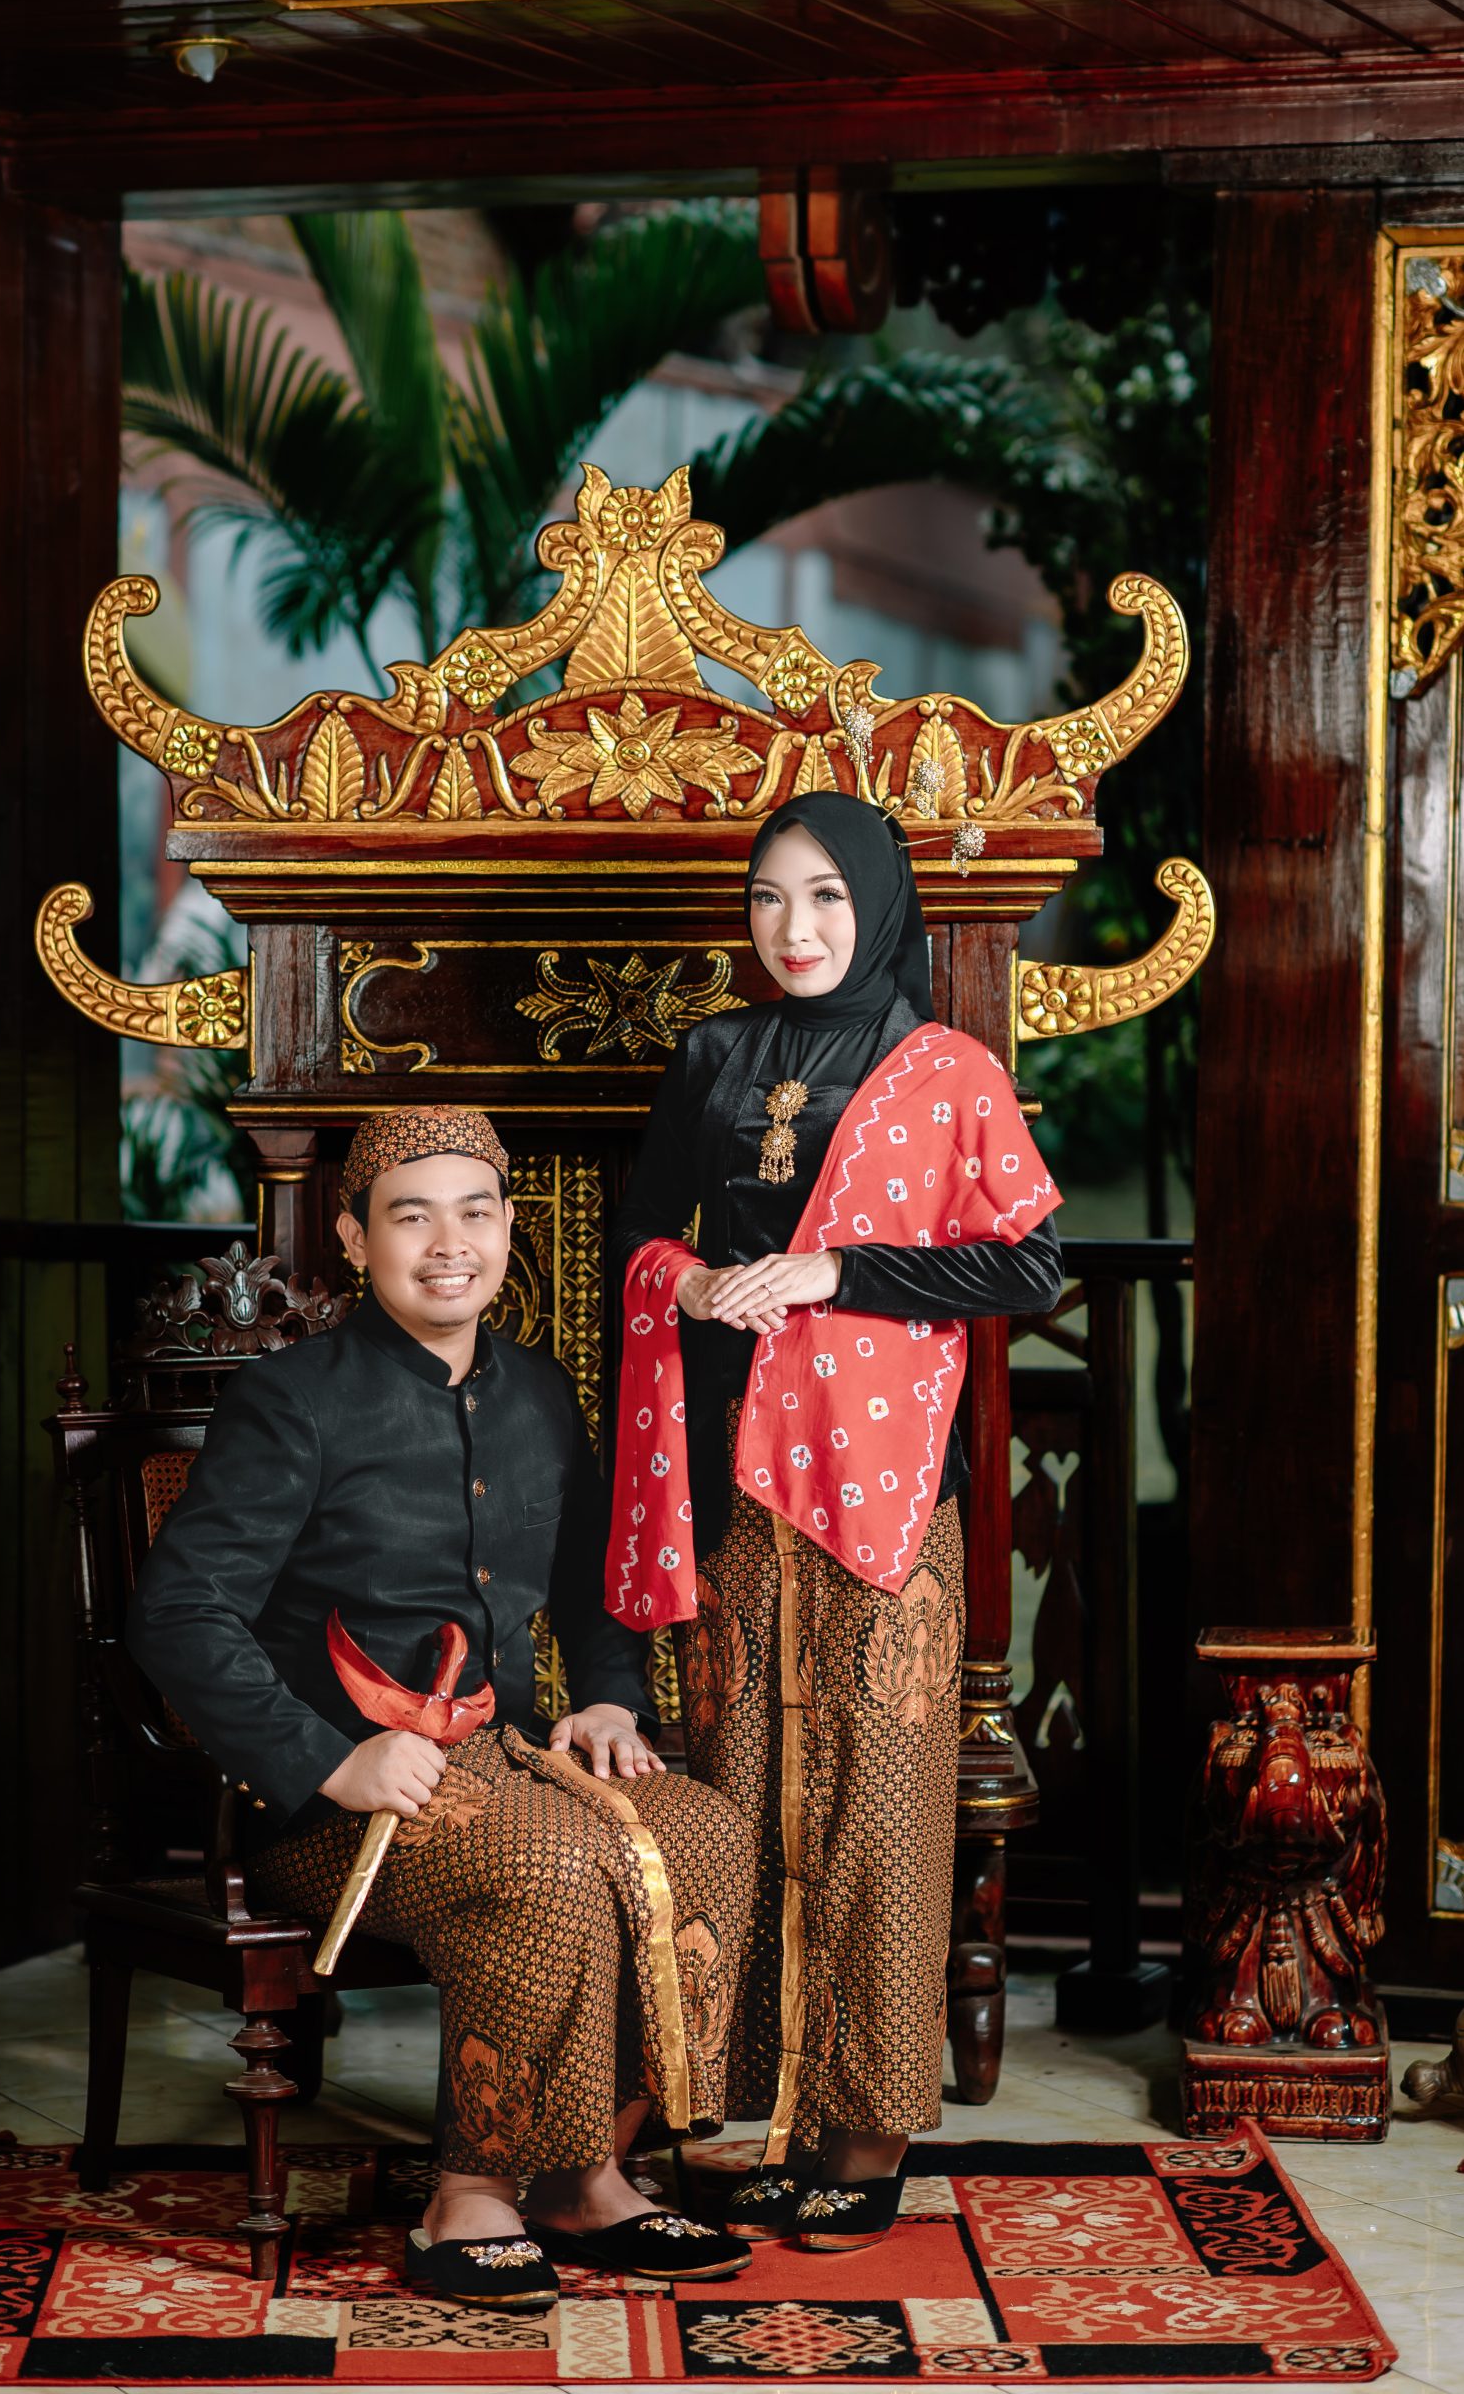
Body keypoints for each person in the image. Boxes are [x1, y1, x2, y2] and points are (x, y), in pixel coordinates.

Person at [128, 1104, 756, 2313]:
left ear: (510, 1227)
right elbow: (179, 1612)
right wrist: (331, 1759)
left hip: (508, 1757)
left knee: (707, 1834)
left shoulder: (539, 1392)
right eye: (411, 1217)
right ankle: (468, 2195)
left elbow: (590, 1584)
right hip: (332, 1809)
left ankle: (587, 2174)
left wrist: (609, 1698)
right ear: (353, 1238)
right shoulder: (291, 1400)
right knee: (550, 1865)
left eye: (474, 1213)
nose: (448, 1244)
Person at [609, 789, 1064, 2250]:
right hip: (733, 1474)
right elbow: (638, 1230)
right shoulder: (710, 1054)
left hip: (884, 1487)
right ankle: (746, 2114)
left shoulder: (945, 1068)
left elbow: (1027, 1265)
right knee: (734, 1793)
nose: (791, 928)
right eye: (766, 898)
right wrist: (685, 1282)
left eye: (822, 897)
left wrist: (833, 1273)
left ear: (875, 905)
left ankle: (863, 2137)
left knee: (881, 1811)